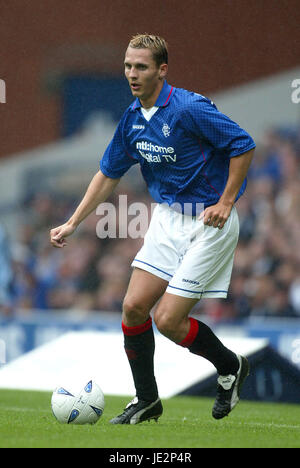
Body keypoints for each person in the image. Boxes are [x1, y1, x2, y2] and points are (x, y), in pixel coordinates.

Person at [50, 34, 256, 424]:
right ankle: (147, 400)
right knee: (132, 307)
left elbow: (243, 145)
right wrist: (73, 222)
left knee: (168, 321)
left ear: (162, 70)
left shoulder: (189, 108)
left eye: (141, 67)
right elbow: (108, 174)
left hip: (208, 222)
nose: (132, 73)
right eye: (128, 66)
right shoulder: (131, 119)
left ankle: (231, 366)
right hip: (166, 219)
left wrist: (226, 202)